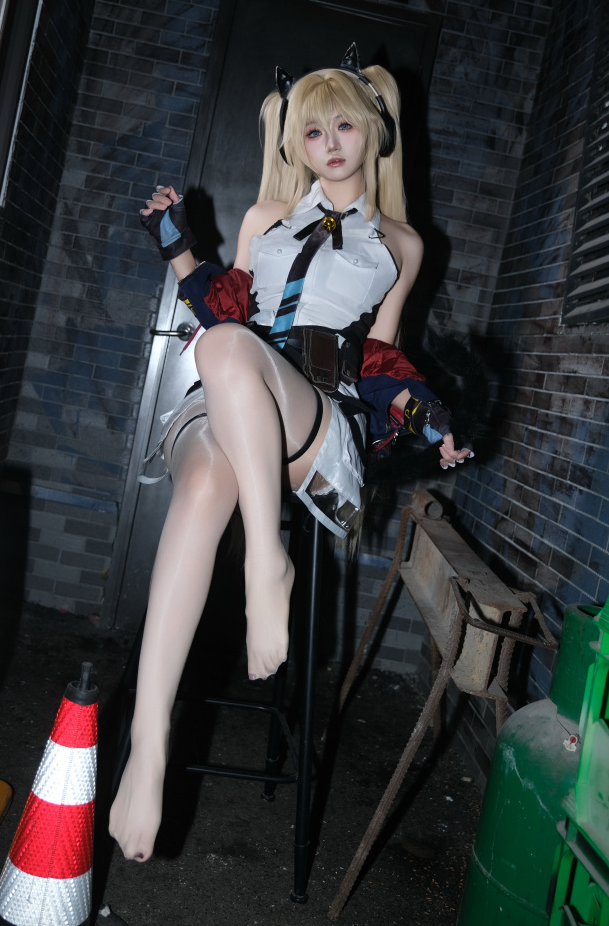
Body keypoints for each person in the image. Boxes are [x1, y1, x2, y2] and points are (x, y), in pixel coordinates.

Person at [108, 45, 472, 861]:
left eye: (344, 126)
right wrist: (174, 242)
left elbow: (380, 356)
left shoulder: (401, 243)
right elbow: (224, 306)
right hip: (232, 399)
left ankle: (265, 561)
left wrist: (428, 416)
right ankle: (149, 742)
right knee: (205, 472)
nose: (330, 144)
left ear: (374, 133)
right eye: (313, 132)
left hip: (317, 418)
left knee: (226, 349)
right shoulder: (264, 219)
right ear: (296, 143)